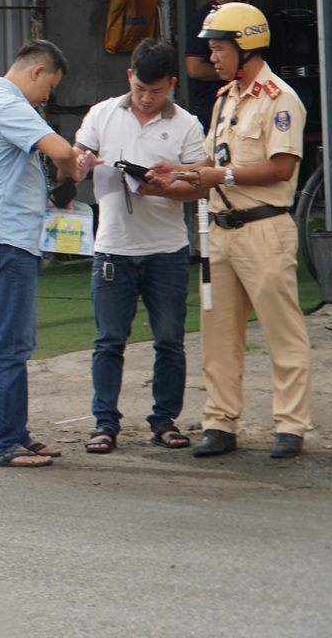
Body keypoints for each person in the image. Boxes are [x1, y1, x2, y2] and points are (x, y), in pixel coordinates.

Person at [149, 1, 310, 460]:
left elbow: (281, 167)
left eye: (219, 48)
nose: (211, 57)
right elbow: (212, 163)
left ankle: (291, 424)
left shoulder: (279, 99)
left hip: (263, 229)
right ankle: (220, 422)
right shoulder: (224, 100)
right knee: (217, 332)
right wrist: (174, 172)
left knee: (283, 331)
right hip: (218, 231)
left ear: (246, 46)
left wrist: (220, 177)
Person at [73, 38, 208, 454]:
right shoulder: (102, 114)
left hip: (166, 248)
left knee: (169, 338)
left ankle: (164, 420)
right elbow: (77, 158)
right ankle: (104, 423)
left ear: (171, 84)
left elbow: (199, 185)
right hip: (113, 247)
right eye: (140, 90)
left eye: (157, 91)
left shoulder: (187, 125)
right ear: (129, 77)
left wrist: (165, 187)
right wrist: (79, 163)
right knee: (109, 339)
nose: (147, 99)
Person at [0, 39, 81, 469]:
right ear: (35, 72)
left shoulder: (6, 106)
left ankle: (16, 434)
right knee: (10, 345)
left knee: (18, 342)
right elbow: (63, 152)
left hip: (13, 238)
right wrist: (71, 174)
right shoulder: (6, 104)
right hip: (6, 238)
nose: (47, 97)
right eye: (49, 87)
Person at [185, 0, 253, 124]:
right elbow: (194, 68)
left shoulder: (239, 16)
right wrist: (237, 72)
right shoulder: (203, 18)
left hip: (237, 102)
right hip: (211, 108)